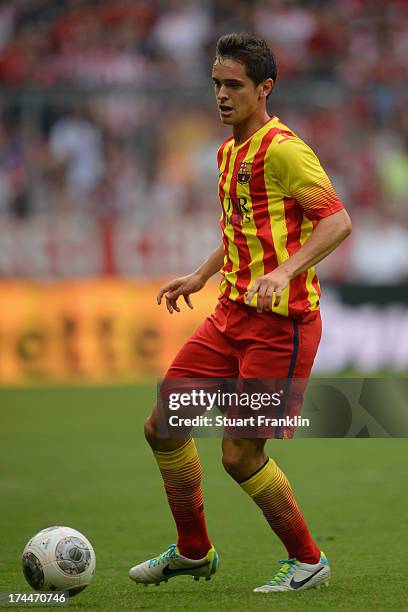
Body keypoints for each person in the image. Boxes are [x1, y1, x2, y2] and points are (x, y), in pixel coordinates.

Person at [129, 33, 351, 593]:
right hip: (229, 316)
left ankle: (308, 560)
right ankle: (192, 551)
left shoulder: (285, 149)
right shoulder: (229, 152)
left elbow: (337, 222)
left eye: (234, 85)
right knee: (163, 425)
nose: (222, 95)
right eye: (217, 84)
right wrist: (202, 274)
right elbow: (243, 231)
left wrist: (286, 271)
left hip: (282, 326)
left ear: (264, 88)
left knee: (239, 453)